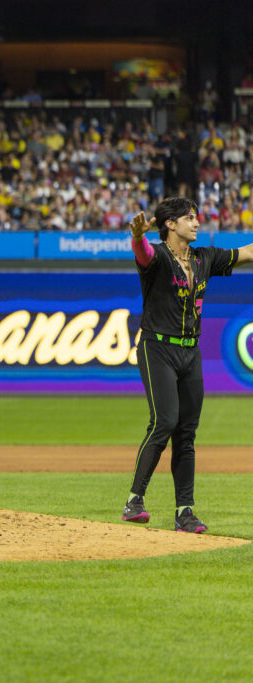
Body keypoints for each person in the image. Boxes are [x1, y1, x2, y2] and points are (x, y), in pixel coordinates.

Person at [123, 197, 253, 532]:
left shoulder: (204, 258)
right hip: (157, 348)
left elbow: (247, 253)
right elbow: (144, 253)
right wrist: (137, 237)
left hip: (190, 353)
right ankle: (134, 499)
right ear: (170, 224)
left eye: (196, 218)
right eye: (189, 218)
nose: (197, 223)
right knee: (164, 421)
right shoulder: (157, 255)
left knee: (187, 434)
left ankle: (185, 511)